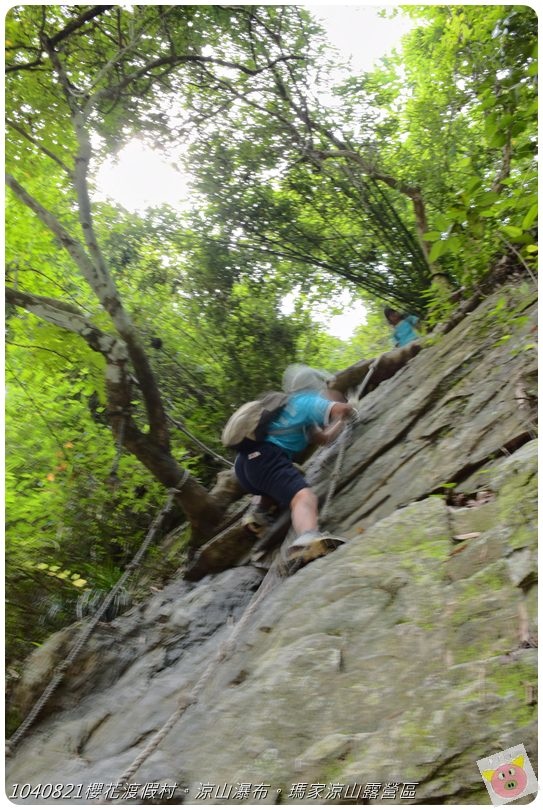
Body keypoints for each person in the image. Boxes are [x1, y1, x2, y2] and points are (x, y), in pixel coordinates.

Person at [234, 365, 355, 563]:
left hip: (245, 465)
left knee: (273, 483)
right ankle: (307, 538)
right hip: (267, 459)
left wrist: (340, 422)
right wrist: (350, 407)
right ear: (314, 384)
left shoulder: (284, 408)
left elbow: (323, 439)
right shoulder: (307, 401)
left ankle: (258, 514)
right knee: (303, 496)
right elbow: (339, 408)